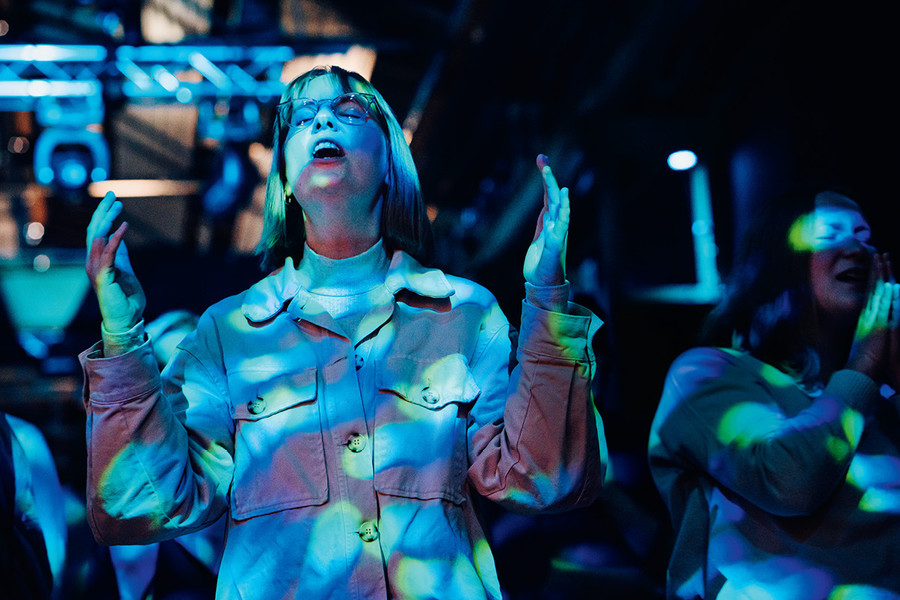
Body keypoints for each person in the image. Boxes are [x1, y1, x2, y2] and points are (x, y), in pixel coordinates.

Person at [80, 65, 607, 599]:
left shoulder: (466, 315)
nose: (322, 119)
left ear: (388, 163)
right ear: (284, 178)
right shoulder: (228, 333)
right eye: (301, 117)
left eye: (348, 112)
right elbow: (143, 506)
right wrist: (123, 338)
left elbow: (543, 478)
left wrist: (547, 300)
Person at [648, 188, 900, 599]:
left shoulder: (882, 397)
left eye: (865, 236)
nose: (857, 247)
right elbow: (788, 481)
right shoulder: (710, 374)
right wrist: (865, 366)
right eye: (830, 234)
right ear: (779, 260)